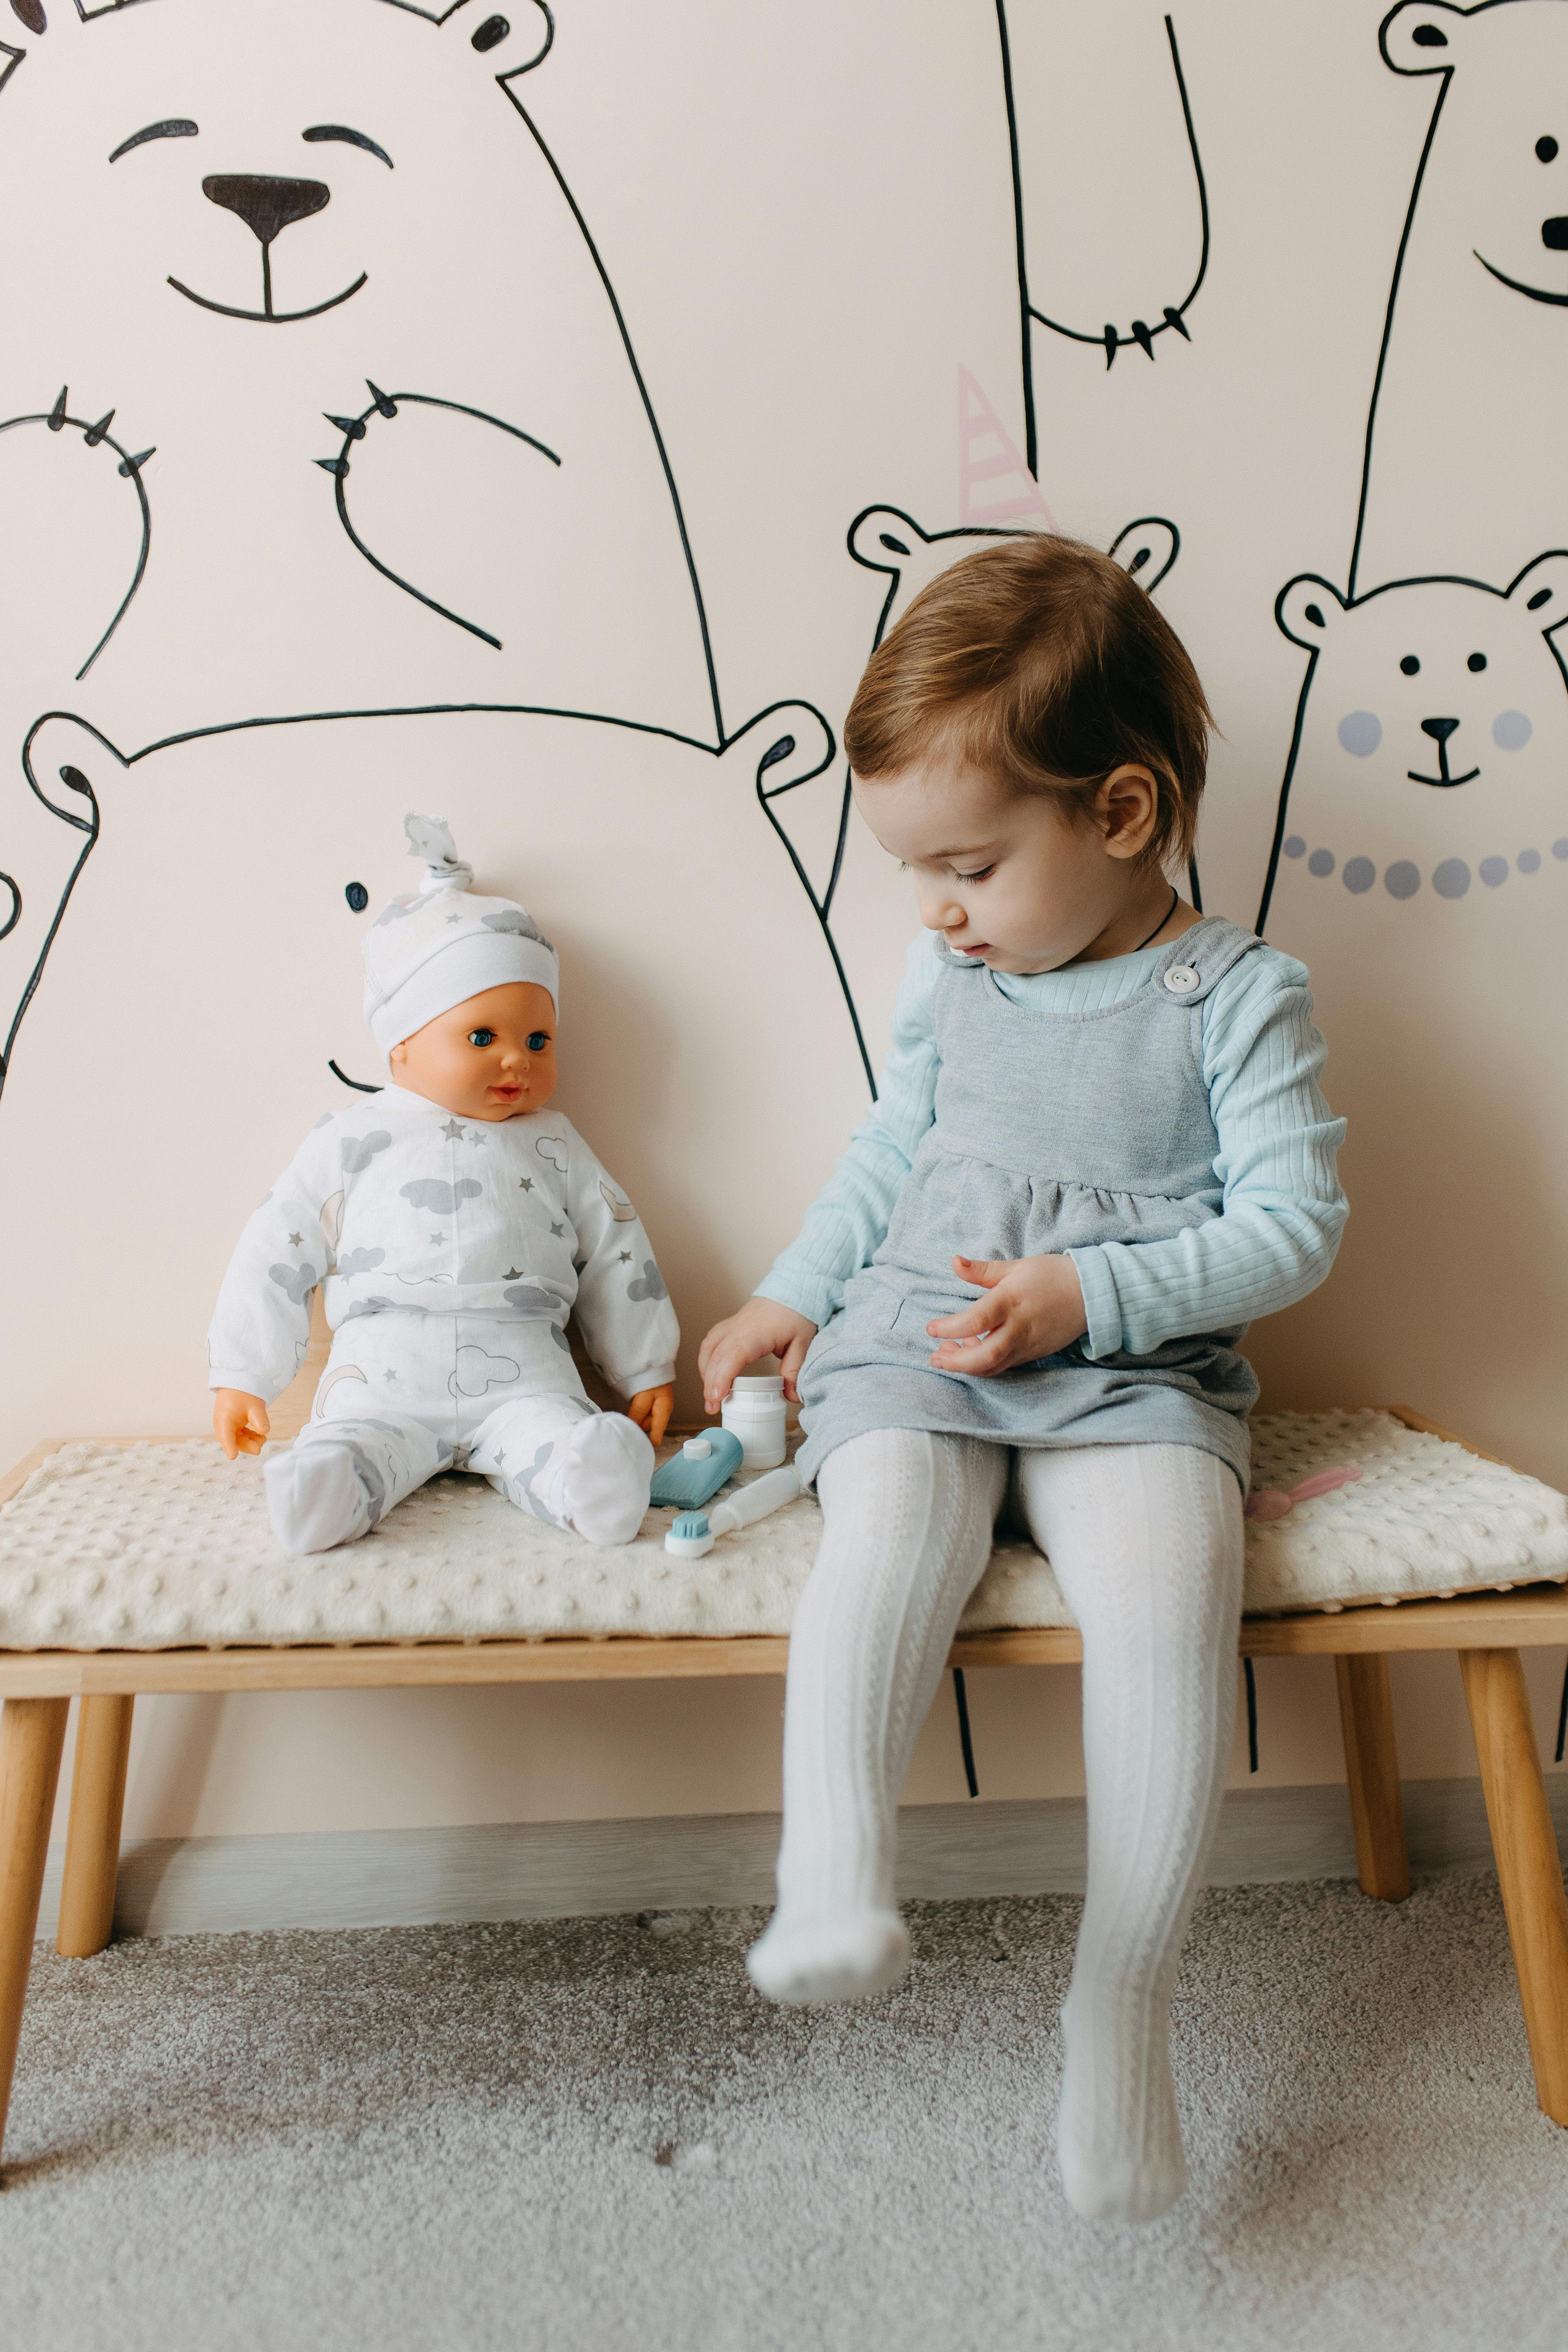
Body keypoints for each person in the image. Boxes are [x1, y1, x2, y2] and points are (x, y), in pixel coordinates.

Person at [699, 536, 1346, 2222]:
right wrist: (789, 1293)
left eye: (968, 865)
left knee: (1161, 1601)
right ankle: (830, 1868)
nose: (935, 907)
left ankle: (1119, 2009)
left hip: (1132, 1369)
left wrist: (1097, 1295)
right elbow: (890, 1145)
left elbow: (1292, 1228)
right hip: (919, 1327)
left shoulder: (1234, 996)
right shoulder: (952, 973)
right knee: (891, 1520)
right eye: (920, 870)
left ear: (1118, 815)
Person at [210, 814, 677, 1554]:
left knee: (555, 1439)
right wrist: (243, 1374)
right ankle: (325, 1486)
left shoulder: (553, 1141)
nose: (516, 1062)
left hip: (525, 1375)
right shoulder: (349, 1139)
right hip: (381, 1376)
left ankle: (589, 1482)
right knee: (357, 1442)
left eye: (538, 1040)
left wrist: (644, 1363)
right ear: (401, 1043)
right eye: (482, 1037)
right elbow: (276, 1246)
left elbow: (616, 1244)